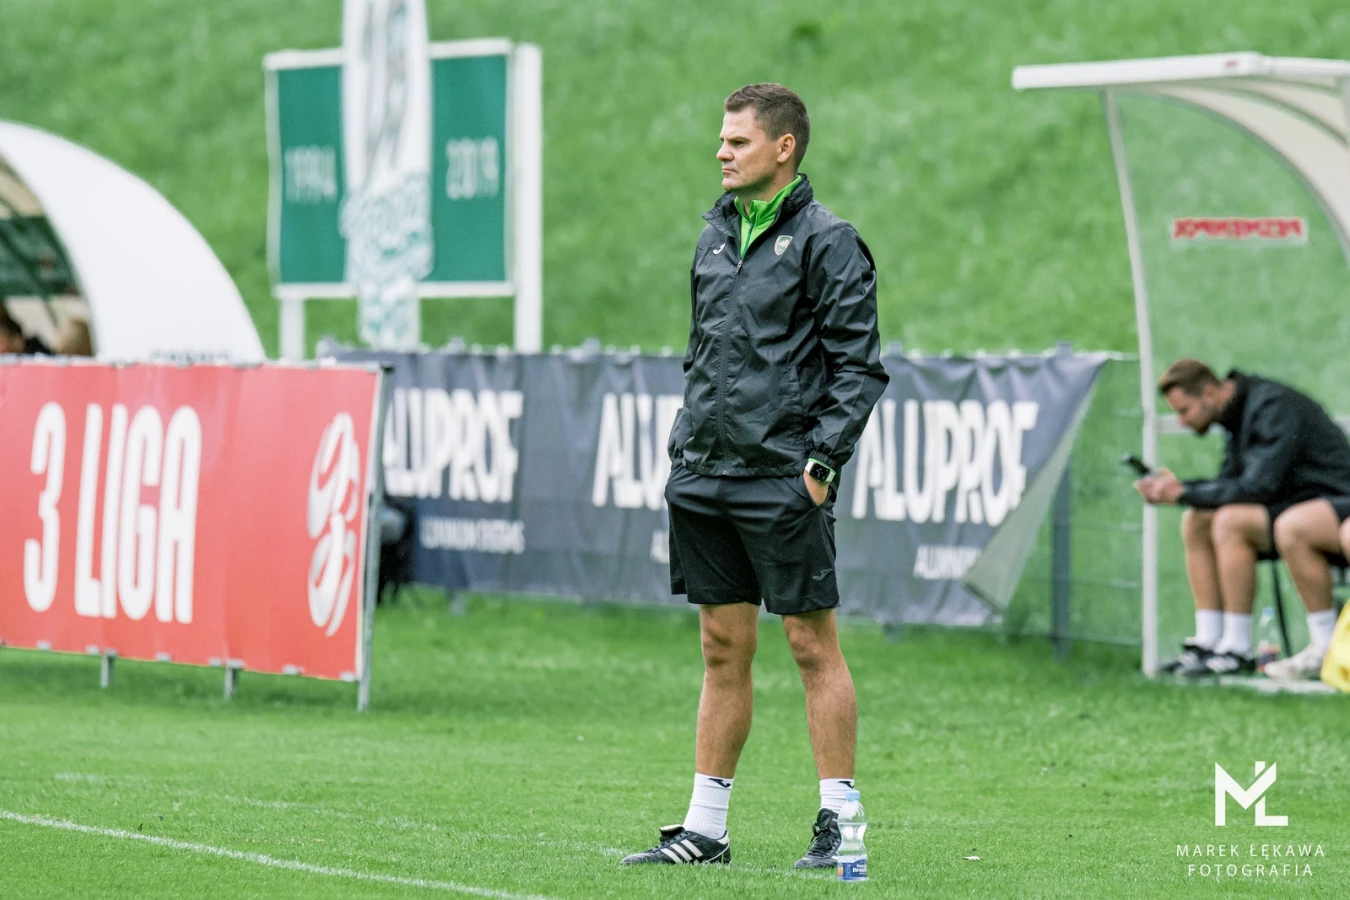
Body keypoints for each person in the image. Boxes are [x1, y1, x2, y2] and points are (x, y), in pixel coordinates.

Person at [621, 83, 889, 868]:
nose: (722, 152)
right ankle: (705, 830)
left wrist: (820, 465)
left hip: (782, 476)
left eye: (737, 141)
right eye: (722, 139)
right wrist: (685, 450)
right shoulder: (712, 237)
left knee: (810, 645)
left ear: (783, 147)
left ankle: (843, 829)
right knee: (720, 648)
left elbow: (858, 367)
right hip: (704, 473)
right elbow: (703, 354)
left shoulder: (829, 242)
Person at [1135, 359, 1350, 677]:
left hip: (1334, 501)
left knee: (1231, 521)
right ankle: (1209, 640)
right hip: (1290, 505)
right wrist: (1183, 491)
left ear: (1209, 393)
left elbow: (1259, 486)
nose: (1182, 422)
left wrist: (1182, 492)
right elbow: (1234, 484)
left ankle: (1245, 647)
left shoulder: (1272, 407)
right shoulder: (1235, 415)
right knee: (1198, 519)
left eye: (1185, 411)